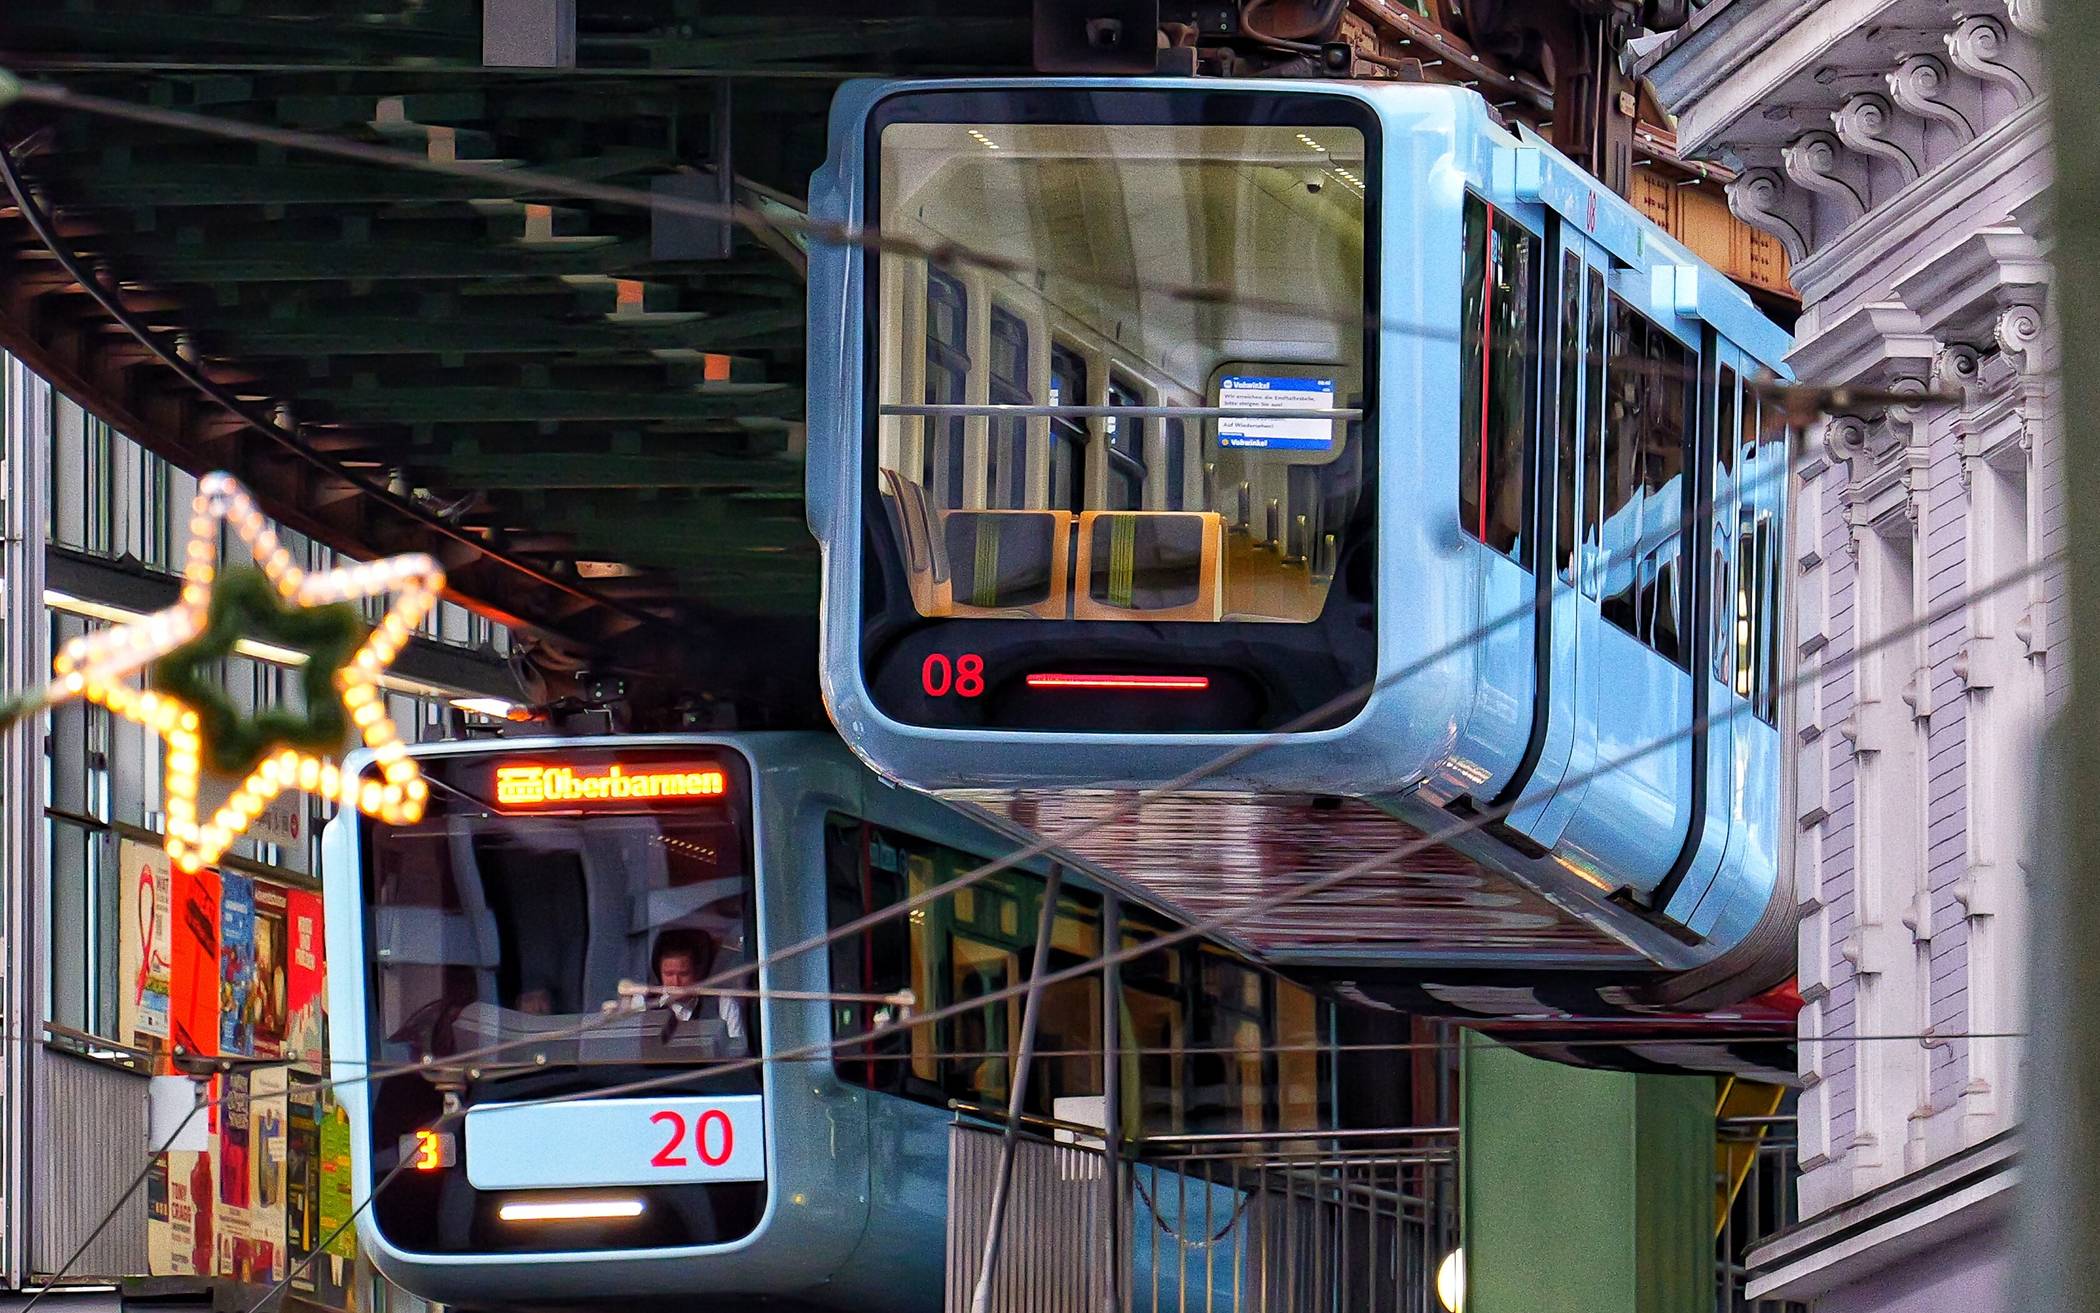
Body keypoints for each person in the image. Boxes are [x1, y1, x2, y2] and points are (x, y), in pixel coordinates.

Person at [649, 927, 744, 1052]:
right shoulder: (645, 1006)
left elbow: (737, 1052)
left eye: (683, 974)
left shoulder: (723, 1004)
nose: (676, 982)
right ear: (659, 973)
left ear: (697, 973)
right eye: (669, 974)